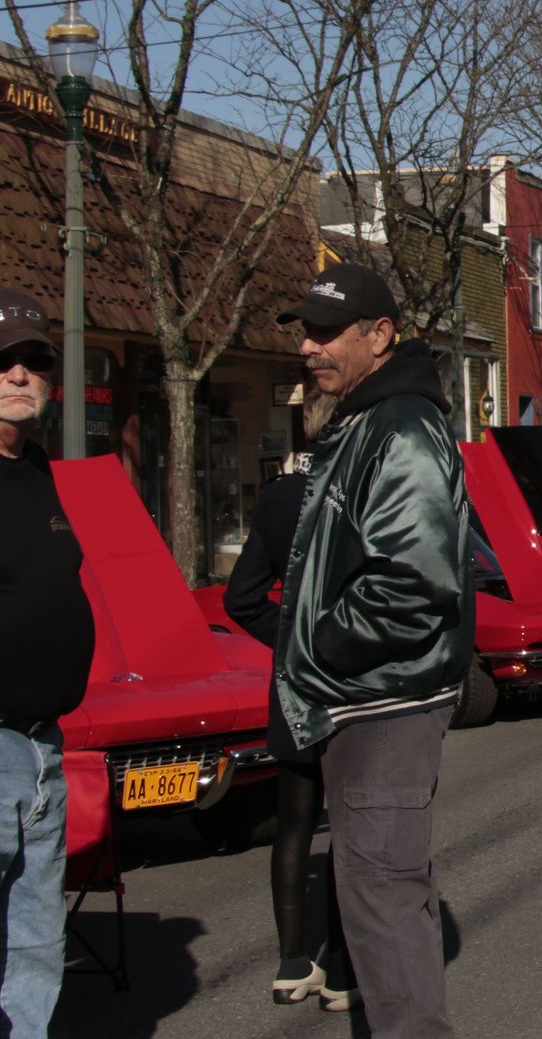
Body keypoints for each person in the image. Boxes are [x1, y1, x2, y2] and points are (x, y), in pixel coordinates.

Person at [272, 265, 473, 1039]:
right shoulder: (364, 421)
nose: (309, 345)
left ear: (379, 335)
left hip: (384, 699)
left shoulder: (400, 429)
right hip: (364, 695)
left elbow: (415, 582)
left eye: (327, 332)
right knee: (376, 897)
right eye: (305, 329)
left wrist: (320, 649)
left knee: (384, 903)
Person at [0, 289, 94, 1039]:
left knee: (33, 961)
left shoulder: (36, 467)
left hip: (41, 753)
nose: (18, 374)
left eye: (34, 360)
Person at [222, 392, 355, 1010]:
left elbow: (241, 599)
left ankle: (291, 961)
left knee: (295, 821)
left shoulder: (276, 498)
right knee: (354, 826)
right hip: (353, 677)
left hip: (294, 679)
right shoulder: (358, 493)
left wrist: (290, 634)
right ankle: (345, 968)